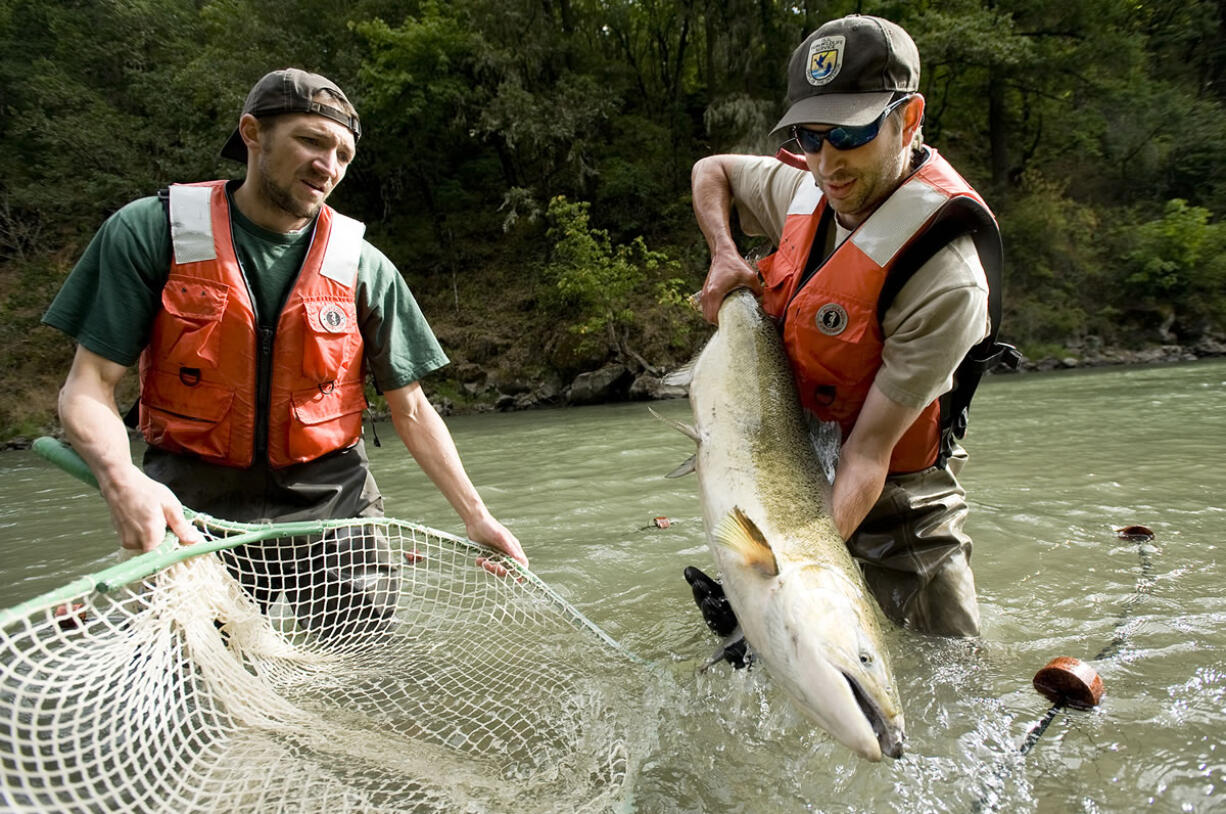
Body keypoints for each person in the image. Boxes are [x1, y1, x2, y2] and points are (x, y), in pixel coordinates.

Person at [43, 68, 527, 634]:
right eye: (311, 141)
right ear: (252, 132)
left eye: (343, 154)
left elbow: (413, 408)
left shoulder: (364, 264)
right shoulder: (149, 232)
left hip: (332, 500)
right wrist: (121, 479)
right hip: (196, 501)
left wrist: (477, 517)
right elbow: (88, 388)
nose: (329, 166)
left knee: (360, 672)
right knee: (201, 683)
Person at [689, 15, 1016, 638]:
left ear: (909, 119)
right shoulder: (807, 188)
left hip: (898, 489)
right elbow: (713, 171)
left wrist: (797, 569)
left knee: (952, 670)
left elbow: (867, 456)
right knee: (754, 644)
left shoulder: (948, 278)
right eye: (810, 137)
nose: (827, 163)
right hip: (794, 457)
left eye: (851, 131)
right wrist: (724, 254)